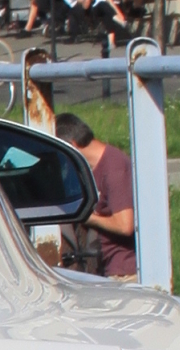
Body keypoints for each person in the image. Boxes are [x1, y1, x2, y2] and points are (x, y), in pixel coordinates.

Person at [55, 105, 137, 279]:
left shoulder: (114, 167)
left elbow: (125, 225)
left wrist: (88, 217)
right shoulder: (88, 169)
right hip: (103, 267)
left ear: (71, 145)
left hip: (123, 272)